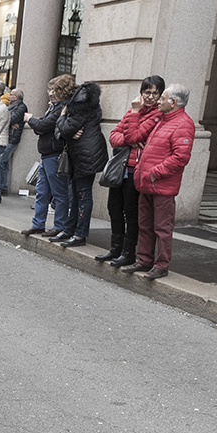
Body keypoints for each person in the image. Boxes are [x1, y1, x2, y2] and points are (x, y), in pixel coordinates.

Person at [121, 84, 195, 280]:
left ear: (172, 102)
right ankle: (144, 260)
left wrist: (155, 173)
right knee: (145, 224)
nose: (158, 101)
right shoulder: (162, 119)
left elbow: (181, 157)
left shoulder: (183, 123)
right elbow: (133, 136)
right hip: (147, 182)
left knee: (162, 228)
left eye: (162, 97)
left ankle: (161, 265)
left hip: (161, 185)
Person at [102, 76, 165, 266]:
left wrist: (134, 118)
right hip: (121, 168)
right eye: (147, 92)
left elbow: (134, 134)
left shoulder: (157, 114)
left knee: (131, 212)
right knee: (114, 208)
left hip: (136, 170)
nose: (151, 97)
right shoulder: (133, 111)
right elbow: (114, 136)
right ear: (141, 92)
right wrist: (130, 138)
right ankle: (115, 249)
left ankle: (128, 252)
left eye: (155, 93)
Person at [55, 80, 108, 248]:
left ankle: (79, 235)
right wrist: (65, 128)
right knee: (77, 195)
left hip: (85, 155)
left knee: (83, 195)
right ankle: (71, 230)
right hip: (82, 154)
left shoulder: (79, 105)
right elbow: (64, 131)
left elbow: (66, 129)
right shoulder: (83, 103)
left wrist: (62, 116)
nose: (52, 93)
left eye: (54, 90)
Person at [20, 75, 74, 239]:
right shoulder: (54, 107)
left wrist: (30, 119)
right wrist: (38, 124)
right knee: (42, 192)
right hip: (46, 155)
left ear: (62, 91)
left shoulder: (61, 108)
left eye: (54, 90)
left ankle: (59, 225)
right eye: (49, 89)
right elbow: (42, 126)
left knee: (59, 193)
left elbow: (42, 125)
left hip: (55, 155)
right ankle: (38, 224)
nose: (50, 93)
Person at [3, 89, 27, 182]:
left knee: (2, 161)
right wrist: (9, 121)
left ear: (16, 97)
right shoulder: (9, 106)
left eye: (11, 95)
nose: (9, 96)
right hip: (6, 136)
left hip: (12, 137)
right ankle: (3, 186)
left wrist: (9, 121)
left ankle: (2, 186)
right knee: (3, 162)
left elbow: (11, 119)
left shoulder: (21, 107)